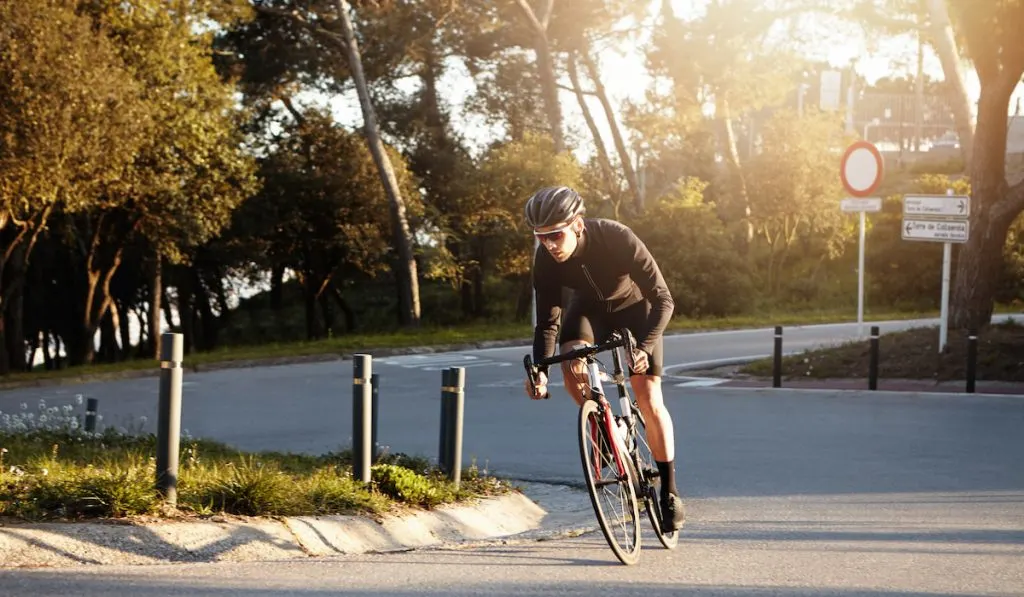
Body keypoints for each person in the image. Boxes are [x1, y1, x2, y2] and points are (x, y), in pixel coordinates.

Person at [522, 185, 684, 531]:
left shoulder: (615, 237)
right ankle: (601, 423)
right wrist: (539, 369)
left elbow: (663, 299)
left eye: (555, 235)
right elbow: (548, 320)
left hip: (635, 309)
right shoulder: (545, 260)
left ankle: (668, 491)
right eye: (541, 238)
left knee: (649, 396)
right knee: (571, 361)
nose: (549, 245)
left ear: (577, 225)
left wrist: (642, 348)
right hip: (589, 311)